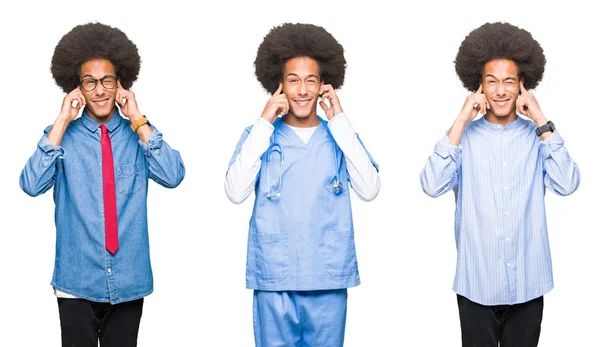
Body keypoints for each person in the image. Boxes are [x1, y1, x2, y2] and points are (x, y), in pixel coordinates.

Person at [19, 22, 185, 347]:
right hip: (76, 280)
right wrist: (62, 120)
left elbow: (173, 174)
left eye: (107, 81)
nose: (99, 90)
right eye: (90, 82)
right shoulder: (61, 139)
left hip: (129, 279)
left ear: (120, 83)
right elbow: (30, 183)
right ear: (77, 87)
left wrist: (137, 118)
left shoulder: (139, 137)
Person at [420, 22, 580, 347]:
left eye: (509, 81)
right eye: (491, 82)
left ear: (523, 84)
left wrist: (541, 119)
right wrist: (461, 119)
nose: (501, 90)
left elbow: (568, 182)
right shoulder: (462, 139)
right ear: (478, 86)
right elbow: (431, 183)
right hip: (476, 285)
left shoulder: (539, 138)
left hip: (528, 284)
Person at [225, 23, 380, 346]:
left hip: (327, 277)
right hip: (275, 278)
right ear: (278, 85)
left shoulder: (340, 136)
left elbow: (370, 188)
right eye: (293, 80)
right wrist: (264, 122)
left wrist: (339, 120)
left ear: (325, 85)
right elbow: (235, 191)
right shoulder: (262, 136)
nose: (302, 90)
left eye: (311, 80)